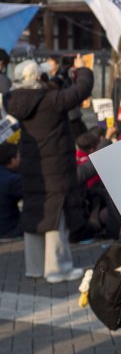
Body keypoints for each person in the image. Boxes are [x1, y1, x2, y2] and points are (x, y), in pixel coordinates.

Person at [6, 58, 90, 282]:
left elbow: (51, 88)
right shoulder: (51, 101)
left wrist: (59, 75)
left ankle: (34, 267)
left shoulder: (15, 100)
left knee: (34, 213)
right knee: (56, 215)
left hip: (32, 168)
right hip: (54, 168)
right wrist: (81, 68)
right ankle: (57, 269)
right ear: (38, 78)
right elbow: (83, 88)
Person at [0, 142, 23, 240]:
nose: (21, 159)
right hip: (10, 230)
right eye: (19, 156)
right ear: (12, 160)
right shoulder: (13, 180)